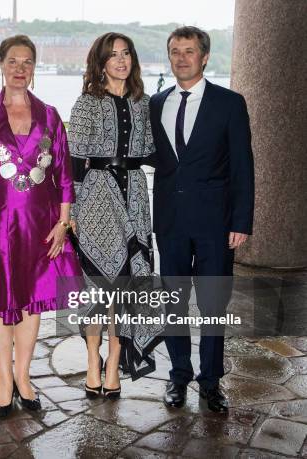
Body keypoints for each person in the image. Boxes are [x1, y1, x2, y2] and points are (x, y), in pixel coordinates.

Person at [0, 35, 82, 418]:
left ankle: (24, 379)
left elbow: (64, 174)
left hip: (41, 225)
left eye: (27, 62)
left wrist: (64, 222)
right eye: (12, 61)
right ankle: (2, 383)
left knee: (32, 303)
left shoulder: (50, 115)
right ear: (0, 65)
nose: (19, 68)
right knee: (0, 303)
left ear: (34, 68)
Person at [149, 26, 254, 413]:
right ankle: (179, 376)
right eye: (175, 51)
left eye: (189, 51)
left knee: (213, 304)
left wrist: (241, 221)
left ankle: (210, 381)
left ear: (205, 57)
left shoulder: (229, 103)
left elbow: (243, 165)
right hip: (171, 222)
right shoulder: (156, 103)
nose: (181, 58)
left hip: (216, 224)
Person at [68, 32, 162, 400]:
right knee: (96, 289)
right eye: (113, 55)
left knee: (127, 286)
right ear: (101, 62)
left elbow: (159, 152)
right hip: (95, 198)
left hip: (136, 196)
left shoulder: (145, 103)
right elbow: (73, 162)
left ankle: (115, 361)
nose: (120, 60)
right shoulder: (87, 103)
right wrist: (71, 211)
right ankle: (93, 358)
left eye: (126, 54)